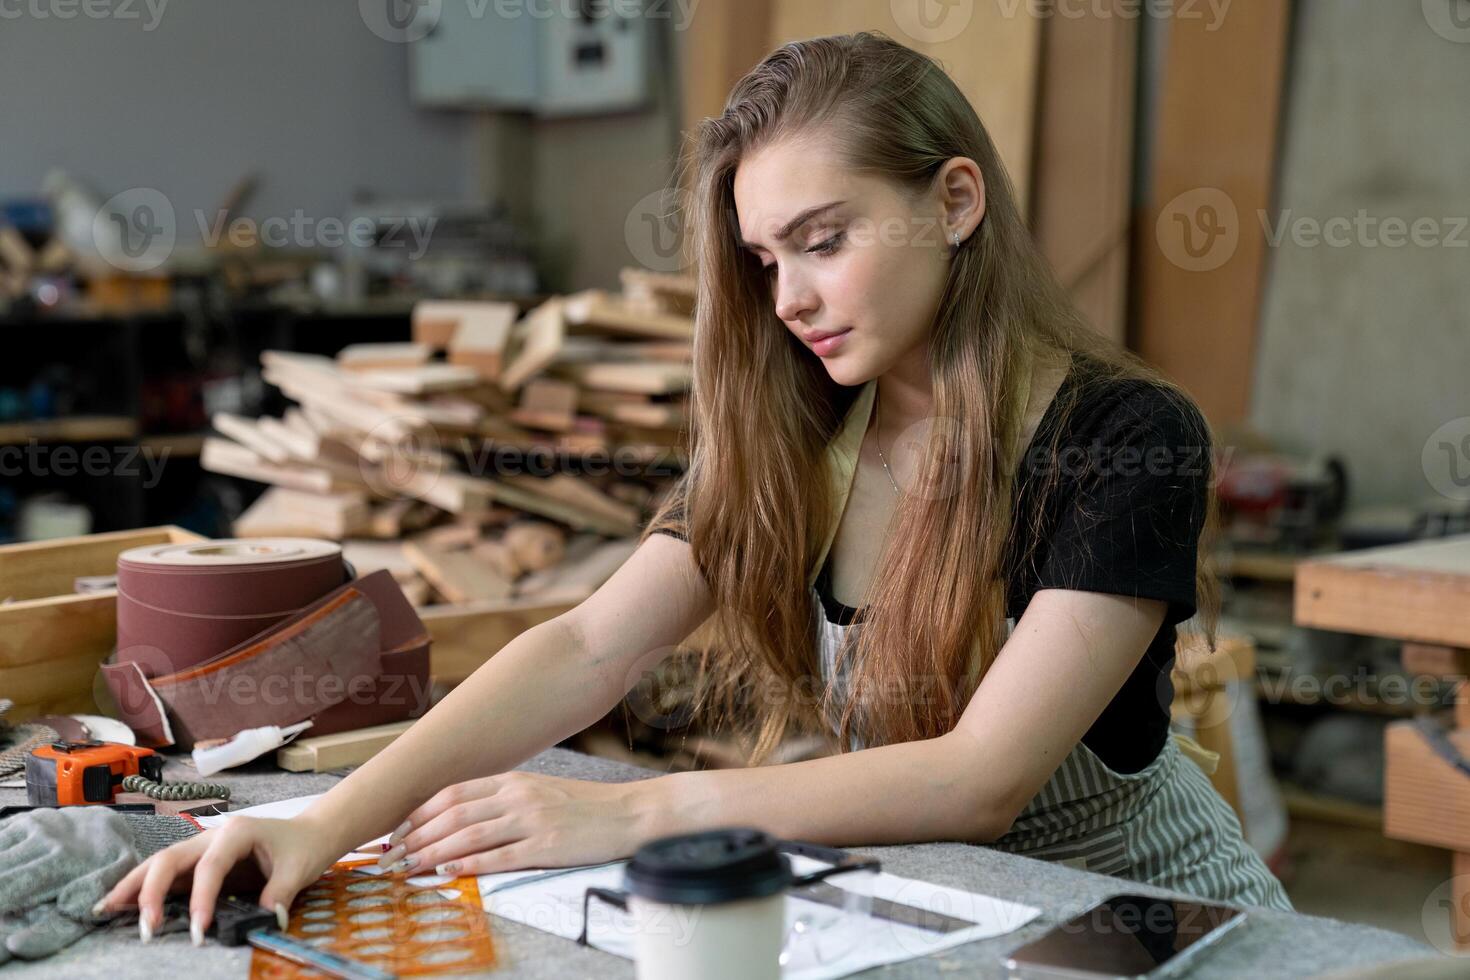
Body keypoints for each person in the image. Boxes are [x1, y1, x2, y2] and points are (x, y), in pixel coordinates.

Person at [99, 32, 1290, 944]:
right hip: (959, 904)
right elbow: (584, 648)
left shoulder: (1124, 436)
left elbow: (981, 778)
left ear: (956, 202)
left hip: (1154, 915)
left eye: (826, 240)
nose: (789, 301)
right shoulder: (805, 433)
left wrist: (640, 810)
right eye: (768, 260)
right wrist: (321, 819)